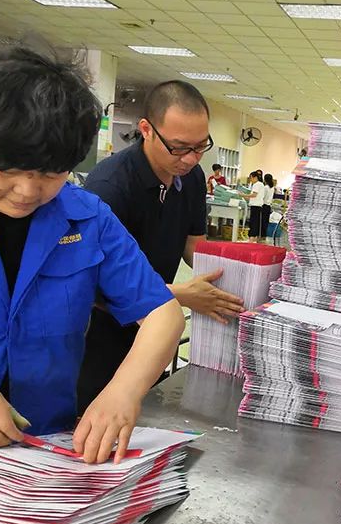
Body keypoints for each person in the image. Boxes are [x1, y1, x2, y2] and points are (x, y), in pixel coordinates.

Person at [0, 47, 184, 463]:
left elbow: (163, 314)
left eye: (50, 173)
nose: (27, 191)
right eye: (9, 170)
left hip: (42, 448)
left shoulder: (88, 219)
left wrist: (122, 392)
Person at [78, 80, 244, 411]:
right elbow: (92, 287)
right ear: (146, 130)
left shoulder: (191, 178)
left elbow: (194, 246)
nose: (191, 158)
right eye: (179, 147)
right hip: (103, 337)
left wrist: (241, 275)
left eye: (200, 146)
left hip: (156, 333)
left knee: (147, 415)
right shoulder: (110, 187)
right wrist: (180, 295)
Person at [238, 171, 264, 243]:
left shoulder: (256, 184)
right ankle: (254, 238)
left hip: (256, 206)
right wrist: (244, 196)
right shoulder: (260, 184)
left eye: (251, 178)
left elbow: (254, 195)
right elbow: (253, 197)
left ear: (255, 177)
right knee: (255, 222)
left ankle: (252, 238)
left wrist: (243, 195)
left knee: (253, 223)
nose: (250, 180)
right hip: (256, 206)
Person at [261, 173, 275, 240]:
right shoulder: (272, 187)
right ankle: (264, 235)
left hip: (264, 206)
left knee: (262, 221)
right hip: (268, 206)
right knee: (266, 222)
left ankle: (261, 235)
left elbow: (262, 197)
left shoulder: (265, 187)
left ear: (265, 179)